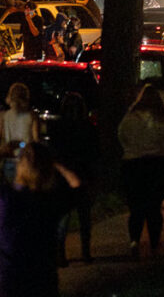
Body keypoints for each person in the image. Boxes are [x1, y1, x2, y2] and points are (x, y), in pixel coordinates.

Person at [0, 142, 81, 297]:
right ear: (47, 170)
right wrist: (54, 163)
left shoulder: (0, 198)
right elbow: (76, 184)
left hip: (9, 284)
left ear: (19, 167)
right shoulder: (50, 202)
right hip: (44, 284)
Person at [118, 84, 164, 258]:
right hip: (157, 165)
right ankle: (154, 243)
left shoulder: (130, 119)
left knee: (136, 206)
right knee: (154, 207)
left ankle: (134, 241)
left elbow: (121, 135)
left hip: (133, 165)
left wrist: (131, 149)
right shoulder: (162, 120)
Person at [50, 92, 97, 265]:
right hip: (83, 174)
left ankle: (60, 253)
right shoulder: (88, 127)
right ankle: (85, 252)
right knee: (84, 217)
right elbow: (94, 153)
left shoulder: (57, 127)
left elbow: (54, 152)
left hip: (63, 175)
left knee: (63, 217)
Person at [0, 81, 39, 182]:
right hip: (26, 160)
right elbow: (36, 140)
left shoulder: (3, 116)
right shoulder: (32, 116)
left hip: (9, 158)